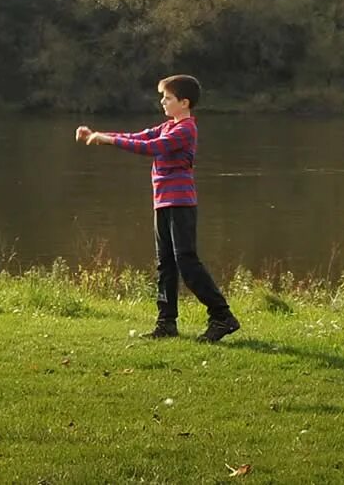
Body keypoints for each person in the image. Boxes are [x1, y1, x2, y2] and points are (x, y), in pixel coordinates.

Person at [78, 74, 241, 343]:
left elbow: (152, 147)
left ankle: (222, 316)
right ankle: (166, 323)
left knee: (186, 262)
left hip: (181, 204)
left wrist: (107, 141)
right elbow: (138, 136)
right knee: (165, 264)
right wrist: (100, 135)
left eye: (167, 97)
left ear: (184, 102)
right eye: (163, 97)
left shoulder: (186, 129)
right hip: (163, 202)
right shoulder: (168, 125)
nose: (162, 101)